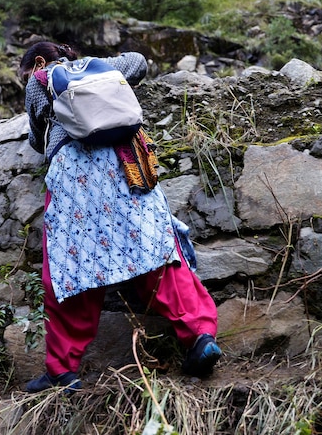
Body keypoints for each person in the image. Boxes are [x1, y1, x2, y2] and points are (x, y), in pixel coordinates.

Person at [18, 42, 221, 392]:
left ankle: (62, 370)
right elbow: (138, 63)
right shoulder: (103, 66)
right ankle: (200, 337)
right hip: (128, 166)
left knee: (71, 270)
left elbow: (38, 140)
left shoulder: (40, 79)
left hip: (76, 177)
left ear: (38, 61)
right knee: (157, 254)